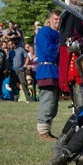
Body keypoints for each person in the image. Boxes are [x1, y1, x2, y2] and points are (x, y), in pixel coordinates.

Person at [36, 10, 61, 141]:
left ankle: (47, 130)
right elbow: (50, 50)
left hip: (55, 71)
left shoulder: (58, 34)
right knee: (48, 103)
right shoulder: (44, 32)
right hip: (47, 70)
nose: (57, 21)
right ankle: (43, 132)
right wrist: (64, 46)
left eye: (59, 19)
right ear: (50, 19)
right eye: (55, 19)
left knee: (53, 105)